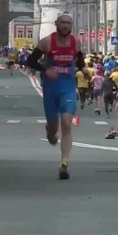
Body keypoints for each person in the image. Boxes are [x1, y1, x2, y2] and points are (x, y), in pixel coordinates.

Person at [25, 11, 89, 180]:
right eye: (63, 23)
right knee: (54, 127)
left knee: (67, 123)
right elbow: (30, 61)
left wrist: (83, 68)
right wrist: (46, 69)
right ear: (56, 23)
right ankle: (50, 131)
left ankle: (64, 163)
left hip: (67, 88)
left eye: (69, 23)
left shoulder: (76, 42)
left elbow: (79, 59)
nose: (66, 26)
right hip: (51, 89)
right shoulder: (47, 42)